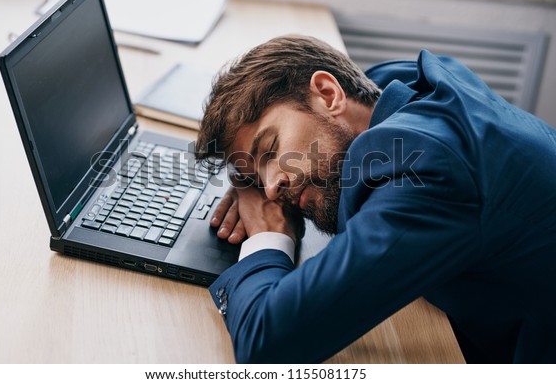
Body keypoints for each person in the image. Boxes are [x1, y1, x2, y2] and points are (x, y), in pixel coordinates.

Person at [194, 35, 556, 363]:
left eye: (271, 148)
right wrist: (259, 171)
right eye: (257, 178)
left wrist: (267, 234)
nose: (270, 190)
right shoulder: (393, 91)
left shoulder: (430, 173)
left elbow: (267, 345)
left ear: (328, 94)